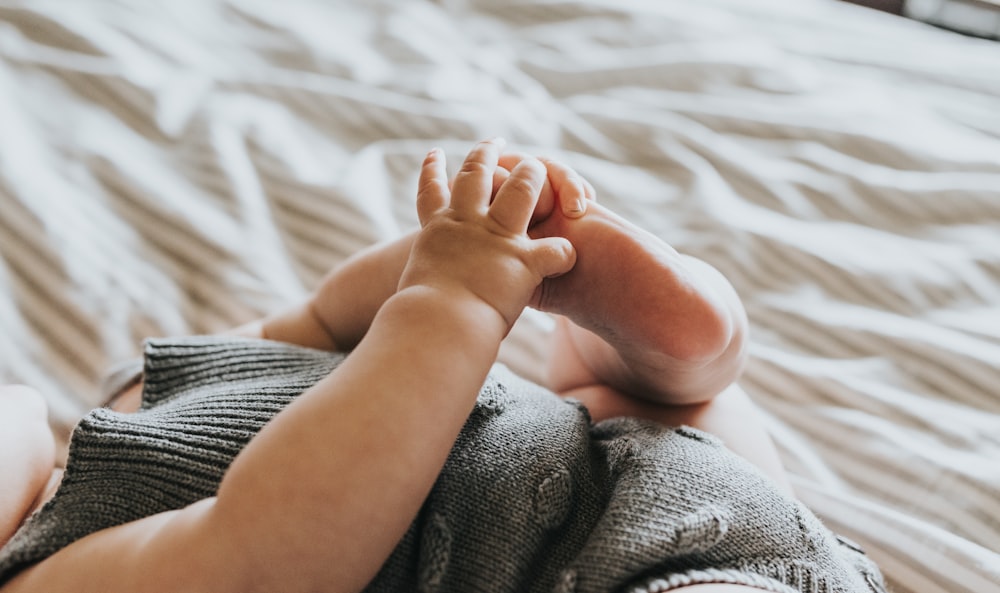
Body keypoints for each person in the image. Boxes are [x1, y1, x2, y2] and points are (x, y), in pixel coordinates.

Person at [0, 139, 885, 593]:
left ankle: (658, 335)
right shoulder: (54, 570)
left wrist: (462, 255)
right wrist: (451, 304)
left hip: (631, 482)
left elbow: (324, 316)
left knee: (639, 395)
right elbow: (267, 553)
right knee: (680, 434)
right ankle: (675, 356)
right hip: (618, 552)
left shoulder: (132, 396)